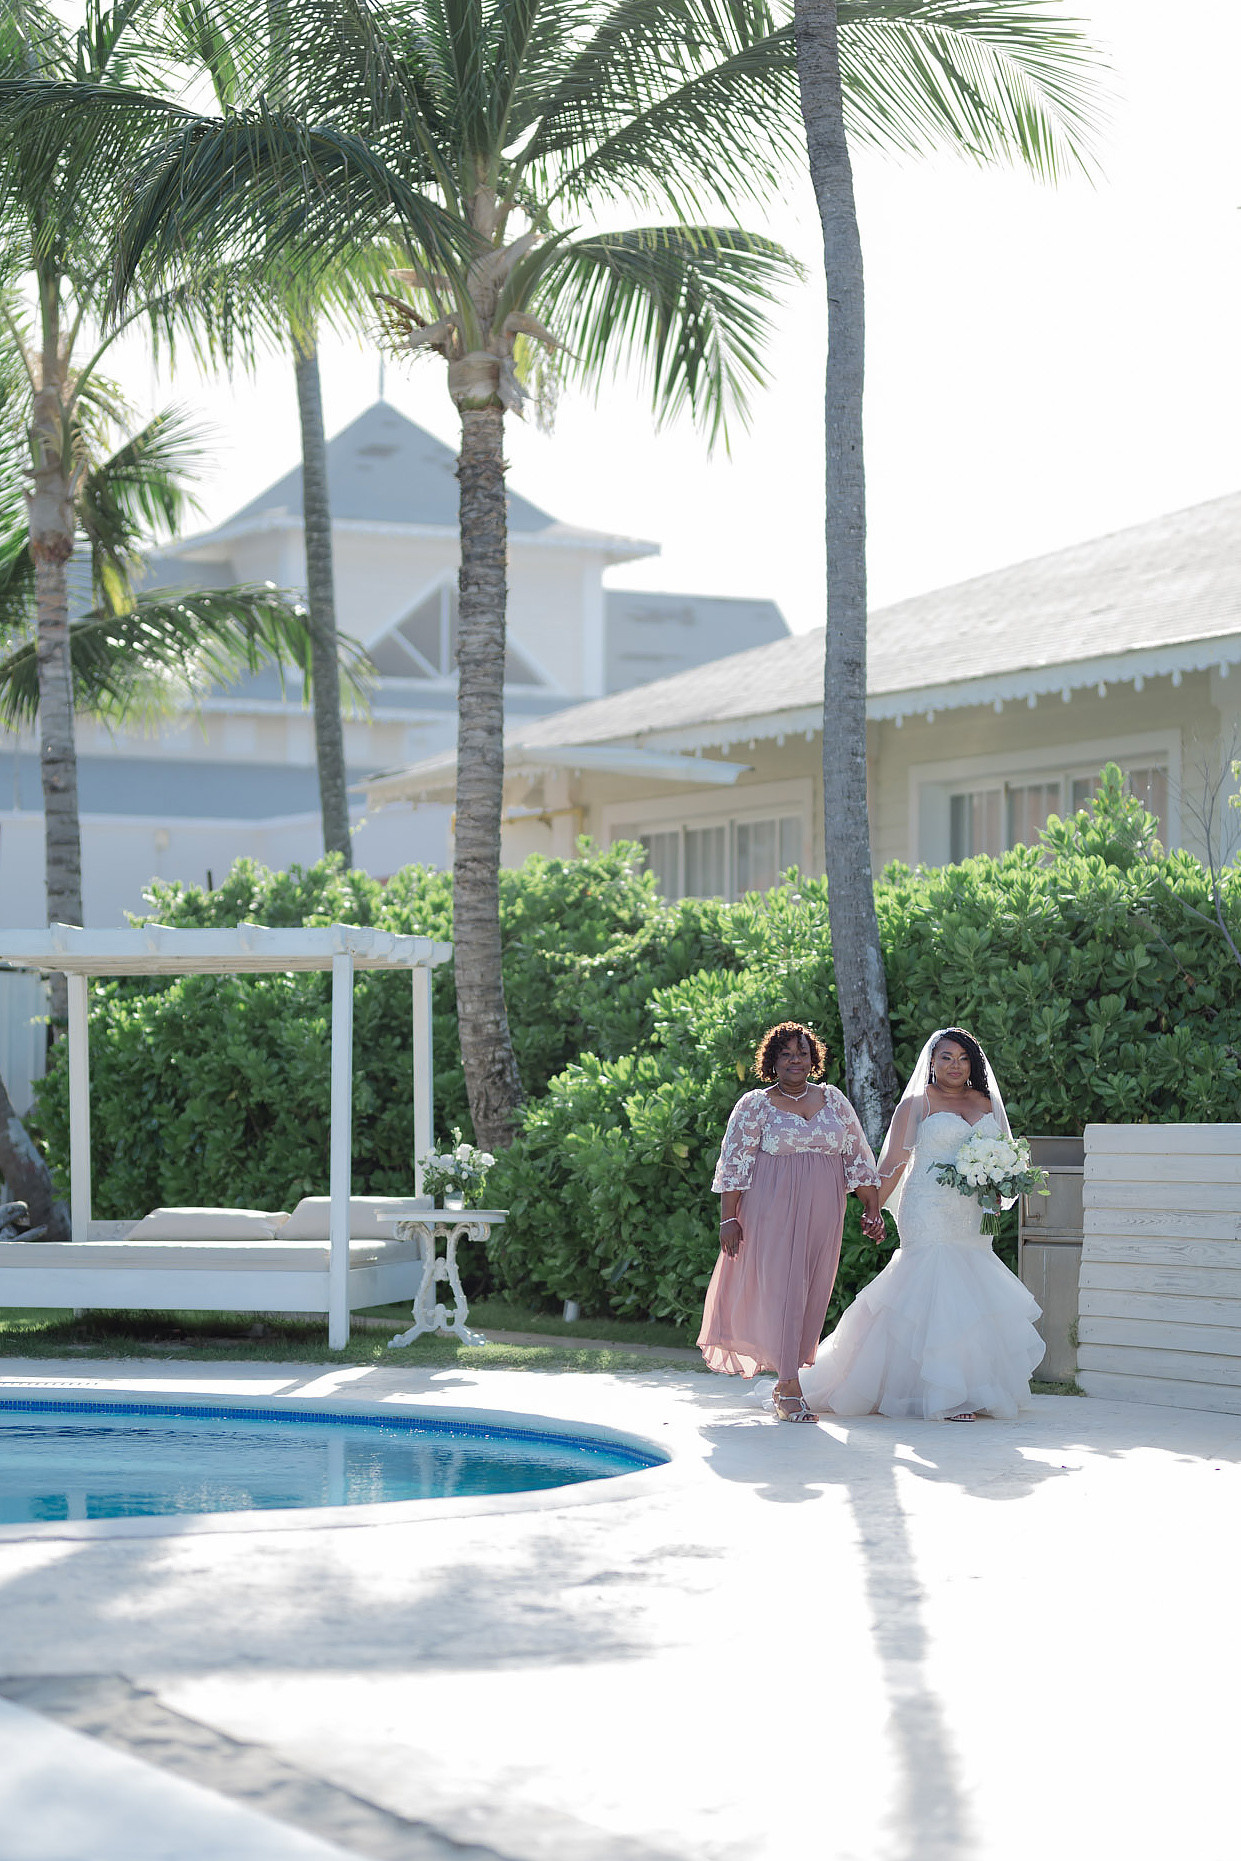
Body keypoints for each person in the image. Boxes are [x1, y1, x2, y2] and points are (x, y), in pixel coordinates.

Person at [800, 1027, 1045, 1422]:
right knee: (936, 1285)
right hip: (928, 1206)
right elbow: (894, 1163)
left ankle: (970, 1389)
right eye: (946, 1057)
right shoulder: (916, 1104)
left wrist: (1001, 1183)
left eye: (963, 1058)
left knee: (970, 1293)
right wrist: (873, 1208)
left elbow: (1006, 1154)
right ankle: (946, 1396)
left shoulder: (985, 1102)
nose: (954, 1065)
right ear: (932, 1061)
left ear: (973, 1064)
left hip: (971, 1212)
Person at [698, 1021, 884, 1422]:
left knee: (812, 1290)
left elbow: (857, 1156)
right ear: (772, 1061)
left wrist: (872, 1209)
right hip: (771, 1210)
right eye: (785, 1054)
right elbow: (735, 1162)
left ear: (813, 1058)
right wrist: (728, 1218)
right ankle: (788, 1387)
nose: (794, 1060)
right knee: (784, 1289)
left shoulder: (834, 1101)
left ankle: (789, 1376)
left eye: (801, 1053)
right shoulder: (755, 1105)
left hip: (825, 1210)